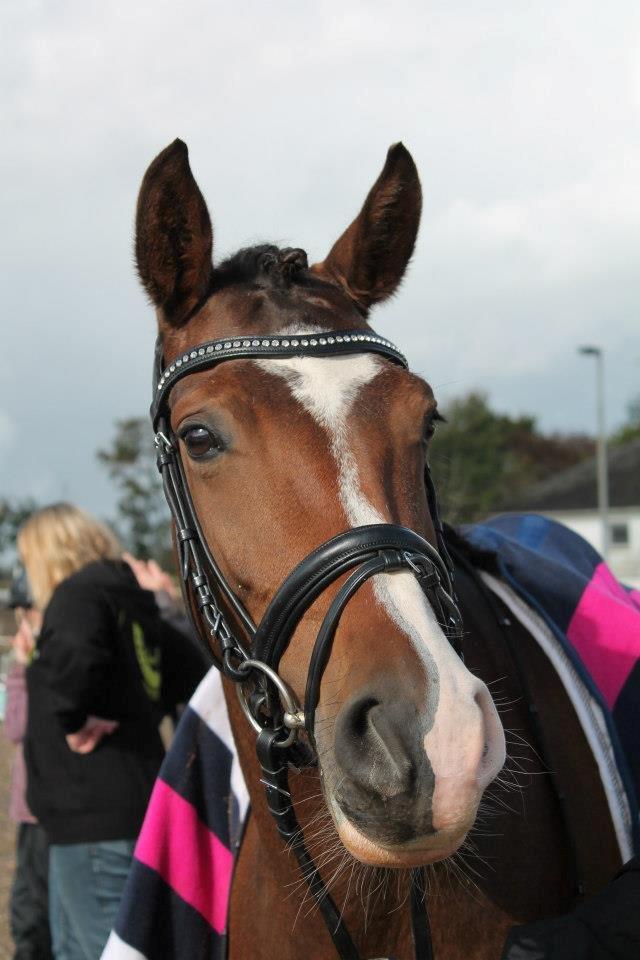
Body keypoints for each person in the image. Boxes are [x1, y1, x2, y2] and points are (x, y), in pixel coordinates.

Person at [18, 503, 208, 960]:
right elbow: (191, 670)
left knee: (100, 950)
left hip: (92, 819)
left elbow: (74, 662)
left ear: (49, 554)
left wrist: (72, 718)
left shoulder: (78, 594)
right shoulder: (131, 602)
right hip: (111, 812)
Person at [4, 566, 54, 960]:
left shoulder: (56, 655)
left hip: (49, 807)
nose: (23, 620)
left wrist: (22, 669)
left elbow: (20, 726)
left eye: (30, 610)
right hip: (30, 809)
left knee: (39, 907)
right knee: (27, 901)